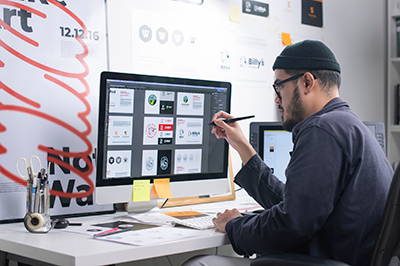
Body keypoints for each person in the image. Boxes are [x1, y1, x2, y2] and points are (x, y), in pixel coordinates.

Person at [182, 40, 393, 266]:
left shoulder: (321, 129)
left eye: (279, 86)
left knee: (200, 263)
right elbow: (295, 207)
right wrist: (243, 146)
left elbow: (291, 224)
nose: (276, 98)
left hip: (330, 260)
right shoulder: (345, 124)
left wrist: (235, 225)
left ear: (307, 82)